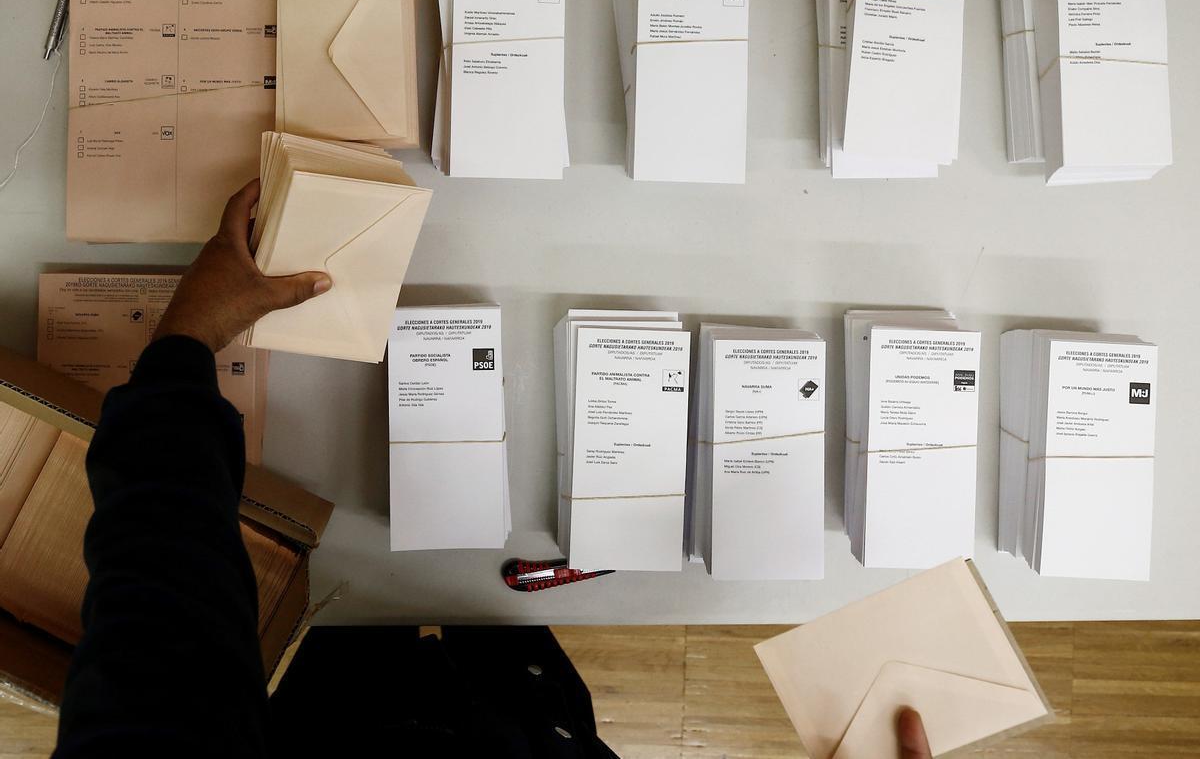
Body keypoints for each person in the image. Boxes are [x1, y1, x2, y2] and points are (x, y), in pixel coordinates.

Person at [51, 182, 933, 758]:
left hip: (337, 705)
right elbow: (157, 599)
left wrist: (185, 345)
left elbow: (160, 609)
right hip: (510, 715)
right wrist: (185, 345)